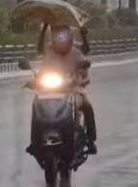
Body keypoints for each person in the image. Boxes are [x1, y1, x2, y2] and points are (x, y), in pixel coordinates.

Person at [31, 23, 97, 155]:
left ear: (70, 37)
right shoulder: (49, 52)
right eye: (58, 36)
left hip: (73, 90)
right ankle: (34, 142)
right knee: (35, 104)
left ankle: (91, 140)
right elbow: (41, 66)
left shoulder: (76, 52)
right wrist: (36, 80)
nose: (61, 39)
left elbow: (84, 62)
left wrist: (82, 74)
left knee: (87, 106)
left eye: (63, 36)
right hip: (51, 92)